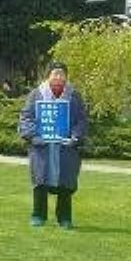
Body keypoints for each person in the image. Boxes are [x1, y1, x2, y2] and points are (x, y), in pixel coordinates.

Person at [17, 62, 89, 230]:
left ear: (66, 77)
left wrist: (76, 136)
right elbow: (26, 117)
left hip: (66, 148)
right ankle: (38, 215)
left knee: (66, 183)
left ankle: (64, 218)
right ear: (48, 76)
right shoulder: (36, 95)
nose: (58, 77)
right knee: (40, 181)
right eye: (55, 73)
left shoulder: (74, 96)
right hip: (42, 148)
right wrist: (34, 136)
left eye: (62, 74)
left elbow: (81, 120)